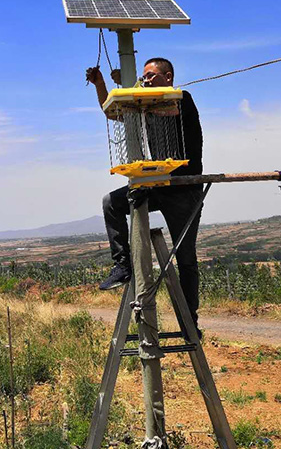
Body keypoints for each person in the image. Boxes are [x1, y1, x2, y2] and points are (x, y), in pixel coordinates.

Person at [86, 57, 204, 327]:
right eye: (144, 76)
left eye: (151, 76)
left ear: (169, 76)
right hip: (157, 184)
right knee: (111, 203)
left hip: (184, 189)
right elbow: (111, 112)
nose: (147, 79)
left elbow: (163, 109)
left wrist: (132, 90)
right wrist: (102, 84)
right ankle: (122, 265)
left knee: (185, 258)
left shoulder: (181, 99)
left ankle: (190, 321)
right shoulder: (145, 105)